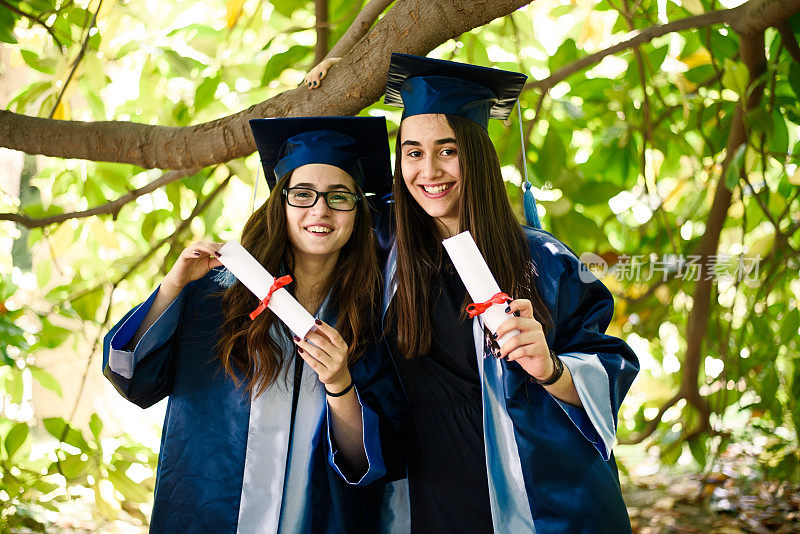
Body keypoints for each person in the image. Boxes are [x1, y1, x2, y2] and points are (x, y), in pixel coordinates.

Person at [376, 53, 640, 533]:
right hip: (428, 485)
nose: (429, 170)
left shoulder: (541, 259)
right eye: (412, 152)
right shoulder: (386, 253)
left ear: (476, 154)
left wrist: (552, 368)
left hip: (533, 483)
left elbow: (608, 363)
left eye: (447, 149)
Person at [101, 116, 404, 533]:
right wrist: (173, 287)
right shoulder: (217, 298)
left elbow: (367, 462)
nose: (320, 209)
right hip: (208, 514)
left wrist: (340, 383)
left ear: (357, 210)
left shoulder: (372, 318)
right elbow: (133, 379)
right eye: (302, 194)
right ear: (279, 203)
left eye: (339, 196)